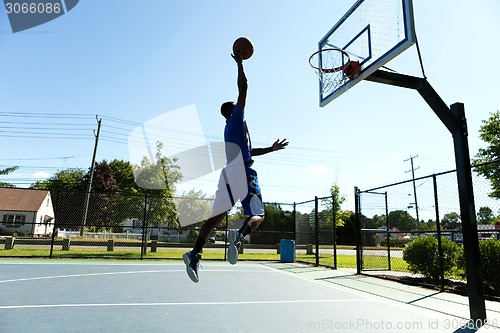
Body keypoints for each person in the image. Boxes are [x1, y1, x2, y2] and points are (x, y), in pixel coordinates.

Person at [183, 49, 288, 283]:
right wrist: (240, 64)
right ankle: (240, 237)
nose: (239, 105)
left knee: (217, 216)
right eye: (236, 105)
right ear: (230, 111)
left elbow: (248, 152)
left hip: (230, 171)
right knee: (258, 214)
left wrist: (270, 149)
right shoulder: (236, 118)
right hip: (243, 171)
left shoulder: (231, 130)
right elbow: (244, 88)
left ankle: (195, 253)